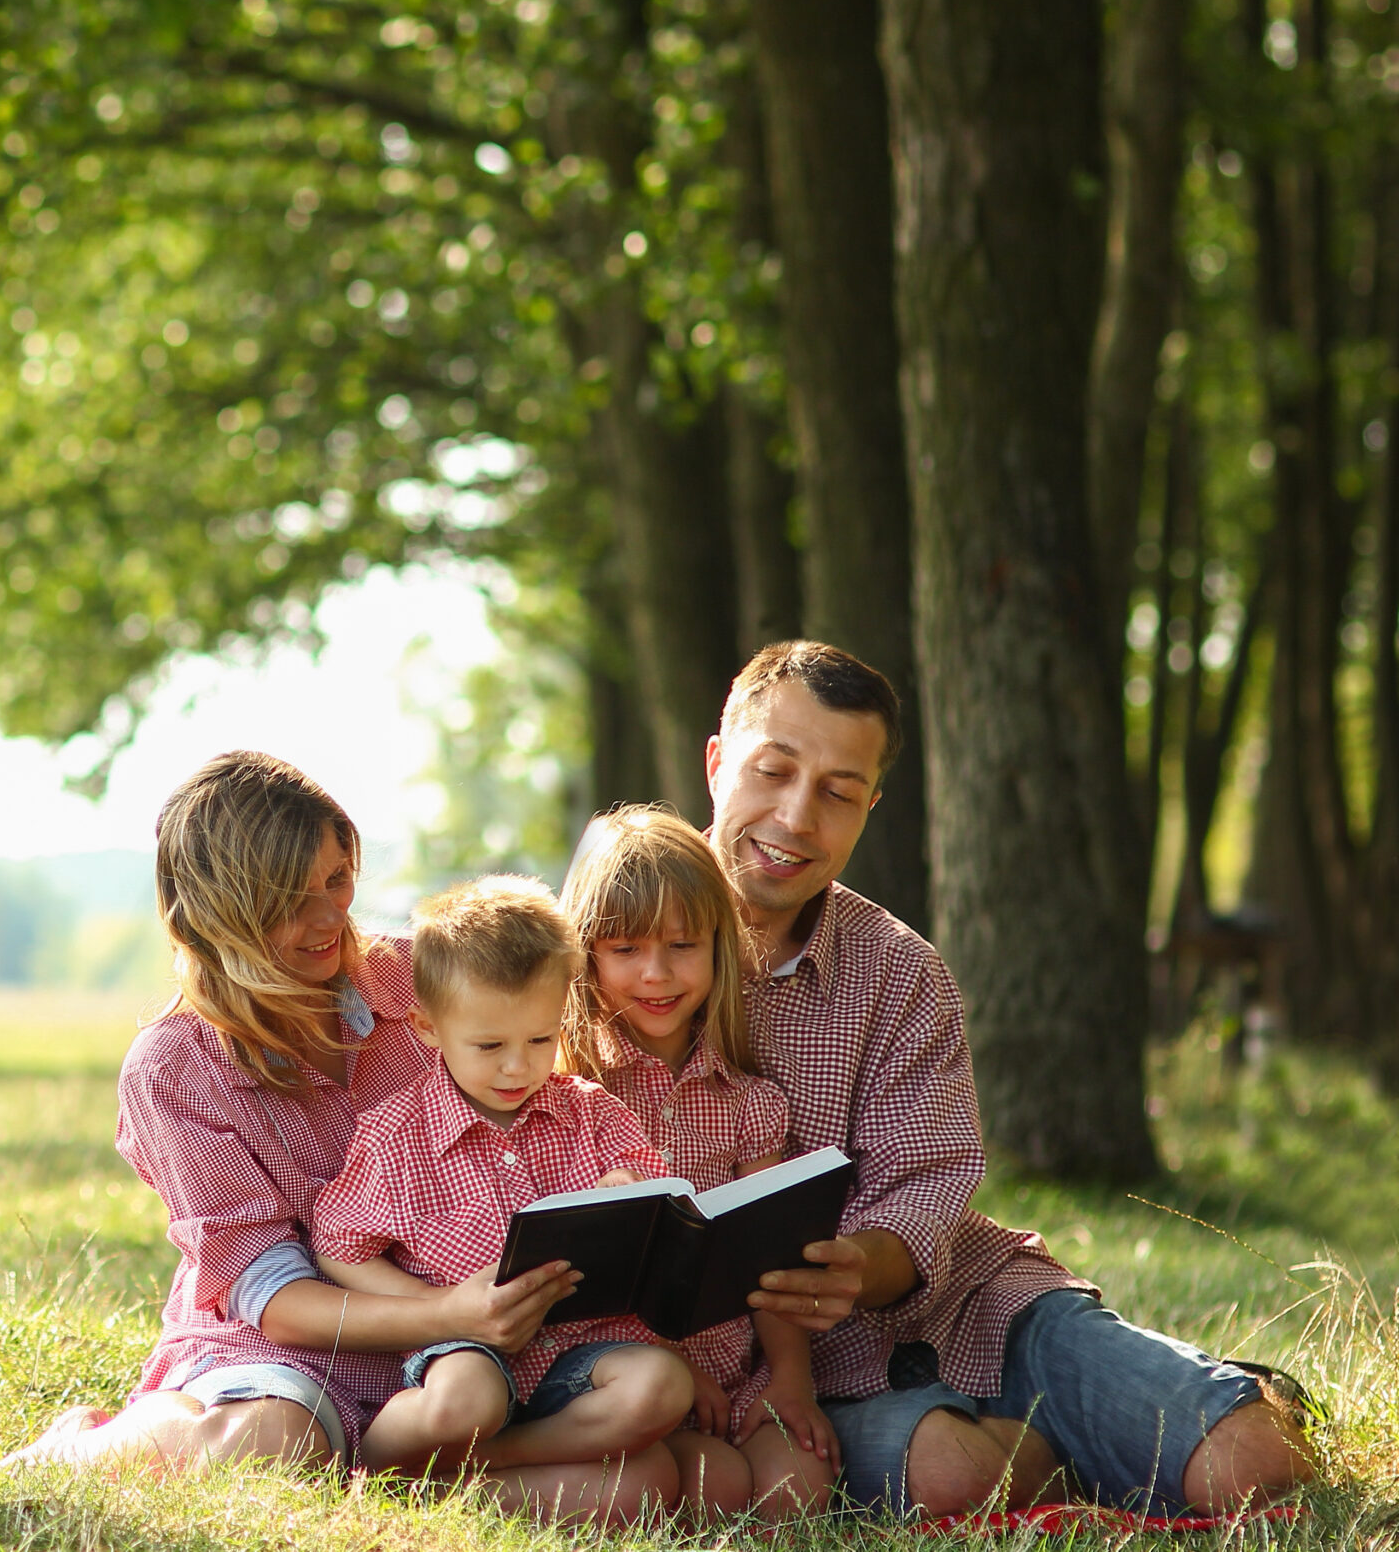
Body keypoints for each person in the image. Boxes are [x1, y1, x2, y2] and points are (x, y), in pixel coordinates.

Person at [704, 641, 1317, 1517]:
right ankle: (1053, 1450)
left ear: (870, 807)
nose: (797, 817)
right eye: (773, 771)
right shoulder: (602, 946)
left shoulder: (899, 970)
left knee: (1260, 1461)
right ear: (719, 763)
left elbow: (925, 1194)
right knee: (961, 1477)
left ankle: (1199, 1401)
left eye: (839, 792)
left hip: (970, 1307)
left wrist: (856, 1265)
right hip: (796, 1380)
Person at [0, 752, 676, 1524]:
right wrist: (451, 1312)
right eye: (290, 900)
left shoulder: (414, 978)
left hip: (471, 1366)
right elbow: (276, 1297)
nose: (329, 918)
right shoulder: (174, 1068)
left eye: (336, 879)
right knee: (275, 1436)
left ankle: (402, 1479)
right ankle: (82, 1453)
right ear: (216, 913)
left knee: (639, 1485)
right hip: (289, 1356)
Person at [308, 875, 694, 1520]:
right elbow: (339, 1247)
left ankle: (461, 1477)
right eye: (489, 1046)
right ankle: (372, 1470)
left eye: (540, 1041)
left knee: (659, 1397)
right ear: (429, 1028)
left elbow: (654, 1201)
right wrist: (441, 1309)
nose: (518, 1068)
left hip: (578, 1356)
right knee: (467, 1399)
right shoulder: (398, 1135)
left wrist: (629, 1191)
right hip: (467, 1350)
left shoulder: (590, 1114)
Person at [557, 804, 837, 1520]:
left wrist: (791, 1382)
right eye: (625, 950)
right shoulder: (569, 1097)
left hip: (732, 1369)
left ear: (720, 946)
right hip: (618, 1376)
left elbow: (770, 1259)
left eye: (683, 945)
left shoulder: (749, 1103)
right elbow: (583, 1278)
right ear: (585, 955)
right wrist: (673, 1370)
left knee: (798, 1489)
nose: (657, 974)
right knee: (717, 1487)